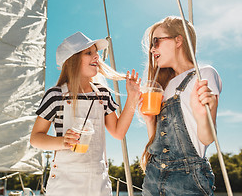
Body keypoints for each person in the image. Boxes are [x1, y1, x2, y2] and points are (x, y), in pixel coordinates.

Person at [30, 31, 141, 196]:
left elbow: (118, 133)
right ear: (72, 60)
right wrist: (62, 142)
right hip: (64, 185)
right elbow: (36, 138)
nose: (96, 57)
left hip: (98, 183)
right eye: (88, 53)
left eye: (96, 53)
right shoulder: (55, 96)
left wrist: (132, 98)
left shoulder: (102, 94)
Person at [139, 16, 222, 196]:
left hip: (187, 179)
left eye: (156, 41)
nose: (153, 49)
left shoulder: (203, 74)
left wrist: (202, 117)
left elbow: (207, 139)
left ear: (178, 40)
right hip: (153, 176)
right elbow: (158, 143)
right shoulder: (164, 86)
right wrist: (149, 120)